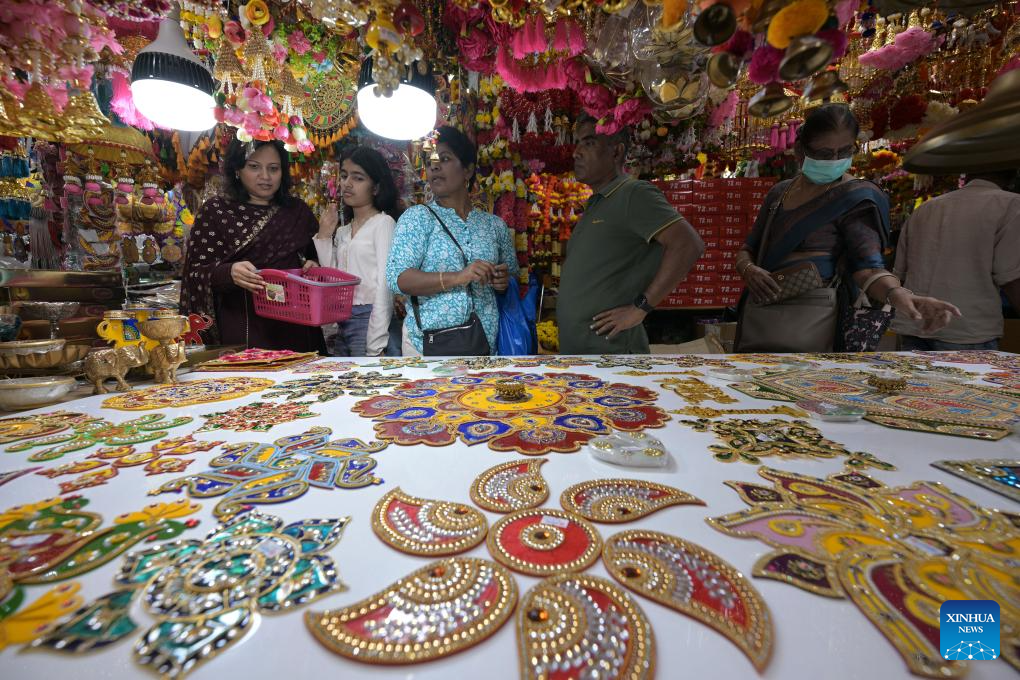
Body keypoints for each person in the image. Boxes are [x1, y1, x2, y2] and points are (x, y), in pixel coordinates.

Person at [733, 104, 960, 352]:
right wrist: (749, 269)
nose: (835, 161)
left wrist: (899, 295)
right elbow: (748, 248)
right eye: (824, 153)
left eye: (844, 151)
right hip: (760, 315)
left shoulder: (856, 198)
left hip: (814, 323)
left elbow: (868, 268)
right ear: (800, 150)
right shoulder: (780, 193)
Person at [557, 113, 705, 354]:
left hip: (613, 356)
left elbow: (688, 244)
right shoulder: (598, 202)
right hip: (584, 355)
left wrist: (640, 308)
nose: (576, 153)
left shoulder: (634, 194)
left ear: (616, 152)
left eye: (589, 143)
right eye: (578, 144)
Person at [181, 139, 325, 351]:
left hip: (296, 324)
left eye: (273, 169)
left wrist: (313, 265)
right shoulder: (216, 211)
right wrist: (229, 272)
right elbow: (195, 273)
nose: (265, 176)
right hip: (244, 324)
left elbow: (314, 257)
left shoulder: (297, 211)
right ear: (237, 169)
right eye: (254, 167)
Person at [386, 126, 518, 356]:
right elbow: (399, 279)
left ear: (467, 170)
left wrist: (502, 281)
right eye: (430, 162)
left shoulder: (494, 226)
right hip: (428, 347)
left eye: (444, 159)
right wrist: (459, 277)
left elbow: (513, 277)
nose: (434, 166)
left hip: (485, 344)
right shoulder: (418, 218)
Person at [892, 168, 1020, 351]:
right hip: (967, 329)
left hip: (914, 325)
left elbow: (899, 275)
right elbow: (1012, 276)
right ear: (1012, 175)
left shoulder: (926, 208)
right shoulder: (1012, 205)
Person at [309, 147, 400, 356]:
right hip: (343, 318)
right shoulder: (343, 231)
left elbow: (385, 284)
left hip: (370, 318)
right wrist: (323, 235)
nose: (347, 183)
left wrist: (376, 341)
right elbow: (333, 281)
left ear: (376, 187)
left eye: (358, 178)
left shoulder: (383, 223)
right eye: (344, 176)